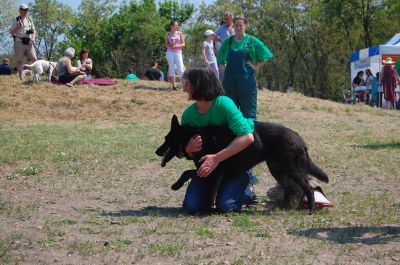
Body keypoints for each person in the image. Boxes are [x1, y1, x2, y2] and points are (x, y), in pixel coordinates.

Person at [181, 67, 257, 214]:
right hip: (208, 170)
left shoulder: (223, 103)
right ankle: (218, 188)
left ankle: (247, 191)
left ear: (200, 84)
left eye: (187, 83)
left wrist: (217, 158)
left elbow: (247, 137)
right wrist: (187, 150)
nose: (184, 88)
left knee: (226, 206)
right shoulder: (188, 115)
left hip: (234, 166)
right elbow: (187, 152)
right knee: (191, 207)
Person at [217, 16, 273, 120]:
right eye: (236, 25)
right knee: (229, 113)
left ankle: (250, 135)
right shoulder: (228, 42)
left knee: (248, 113)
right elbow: (220, 59)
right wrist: (225, 71)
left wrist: (255, 67)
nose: (238, 28)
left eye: (241, 25)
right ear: (233, 26)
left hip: (246, 82)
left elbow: (266, 54)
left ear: (245, 26)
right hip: (229, 83)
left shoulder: (252, 41)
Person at [10, 4, 37, 80]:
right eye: (23, 10)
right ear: (20, 10)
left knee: (34, 58)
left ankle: (34, 75)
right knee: (19, 60)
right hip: (19, 42)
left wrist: (33, 38)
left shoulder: (29, 20)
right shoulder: (16, 20)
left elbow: (34, 30)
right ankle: (21, 77)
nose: (25, 11)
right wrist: (17, 27)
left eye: (26, 10)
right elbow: (12, 33)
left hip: (29, 42)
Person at [214, 12, 235, 80]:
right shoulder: (221, 28)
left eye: (227, 19)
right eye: (225, 19)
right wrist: (220, 40)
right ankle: (222, 87)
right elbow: (213, 35)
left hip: (236, 50)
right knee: (222, 70)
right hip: (224, 51)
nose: (226, 20)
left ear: (232, 18)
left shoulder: (236, 26)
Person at [165, 21, 185, 90]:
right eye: (175, 25)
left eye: (177, 25)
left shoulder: (180, 33)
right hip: (170, 52)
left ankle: (184, 85)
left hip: (178, 52)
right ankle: (174, 86)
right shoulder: (167, 34)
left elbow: (183, 44)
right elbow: (166, 45)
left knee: (181, 69)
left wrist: (177, 45)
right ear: (171, 26)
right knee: (172, 68)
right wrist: (170, 45)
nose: (177, 26)